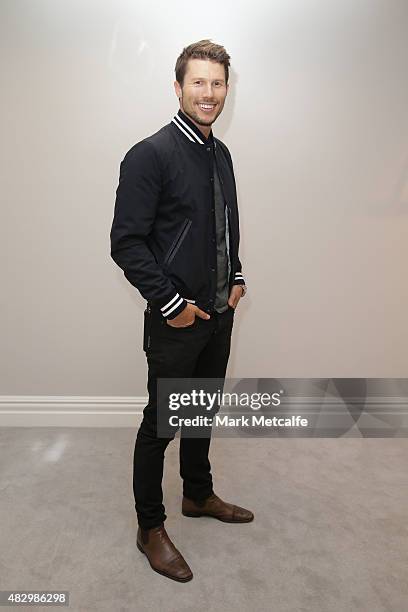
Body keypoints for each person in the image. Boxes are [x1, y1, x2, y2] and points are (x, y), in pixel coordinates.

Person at [110, 39, 253, 583]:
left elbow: (222, 226)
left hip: (220, 313)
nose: (209, 93)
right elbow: (127, 242)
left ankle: (198, 494)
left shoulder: (221, 153)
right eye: (199, 82)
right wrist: (172, 305)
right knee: (161, 424)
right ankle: (150, 527)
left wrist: (236, 276)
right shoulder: (151, 153)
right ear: (178, 87)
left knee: (199, 411)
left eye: (217, 84)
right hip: (179, 317)